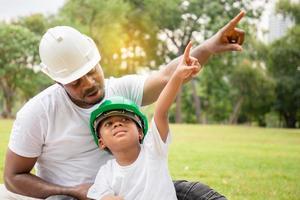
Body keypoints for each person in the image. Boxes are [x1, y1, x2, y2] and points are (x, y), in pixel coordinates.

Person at [2, 10, 245, 200]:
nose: (89, 84)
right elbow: (13, 177)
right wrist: (74, 191)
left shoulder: (120, 89)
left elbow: (166, 76)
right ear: (57, 80)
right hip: (74, 197)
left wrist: (208, 46)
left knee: (192, 193)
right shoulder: (38, 113)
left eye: (92, 71)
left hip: (133, 189)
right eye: (76, 81)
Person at [87, 41, 200, 200]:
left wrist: (177, 76)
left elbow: (161, 110)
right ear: (101, 142)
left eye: (125, 119)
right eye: (108, 124)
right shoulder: (106, 172)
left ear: (140, 132)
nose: (118, 124)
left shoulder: (153, 149)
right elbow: (101, 196)